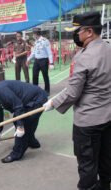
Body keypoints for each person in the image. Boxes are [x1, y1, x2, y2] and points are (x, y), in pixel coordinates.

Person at [43, 12, 111, 190]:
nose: (75, 35)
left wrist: (52, 103)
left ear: (89, 31)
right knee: (105, 160)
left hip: (88, 122)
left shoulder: (84, 57)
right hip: (108, 117)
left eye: (77, 31)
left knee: (87, 164)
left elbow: (73, 93)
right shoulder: (108, 48)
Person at [0, 80, 47, 163]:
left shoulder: (0, 90)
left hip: (37, 99)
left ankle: (16, 153)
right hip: (28, 100)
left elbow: (18, 106)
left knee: (24, 123)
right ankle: (32, 142)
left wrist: (20, 126)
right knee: (25, 122)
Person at [27, 28, 54, 95]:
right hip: (36, 61)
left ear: (36, 34)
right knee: (34, 76)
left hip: (43, 61)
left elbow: (49, 52)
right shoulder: (35, 42)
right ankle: (35, 90)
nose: (33, 35)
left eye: (33, 33)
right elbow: (33, 52)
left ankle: (47, 91)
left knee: (45, 76)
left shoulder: (45, 41)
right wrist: (28, 59)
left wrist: (51, 63)